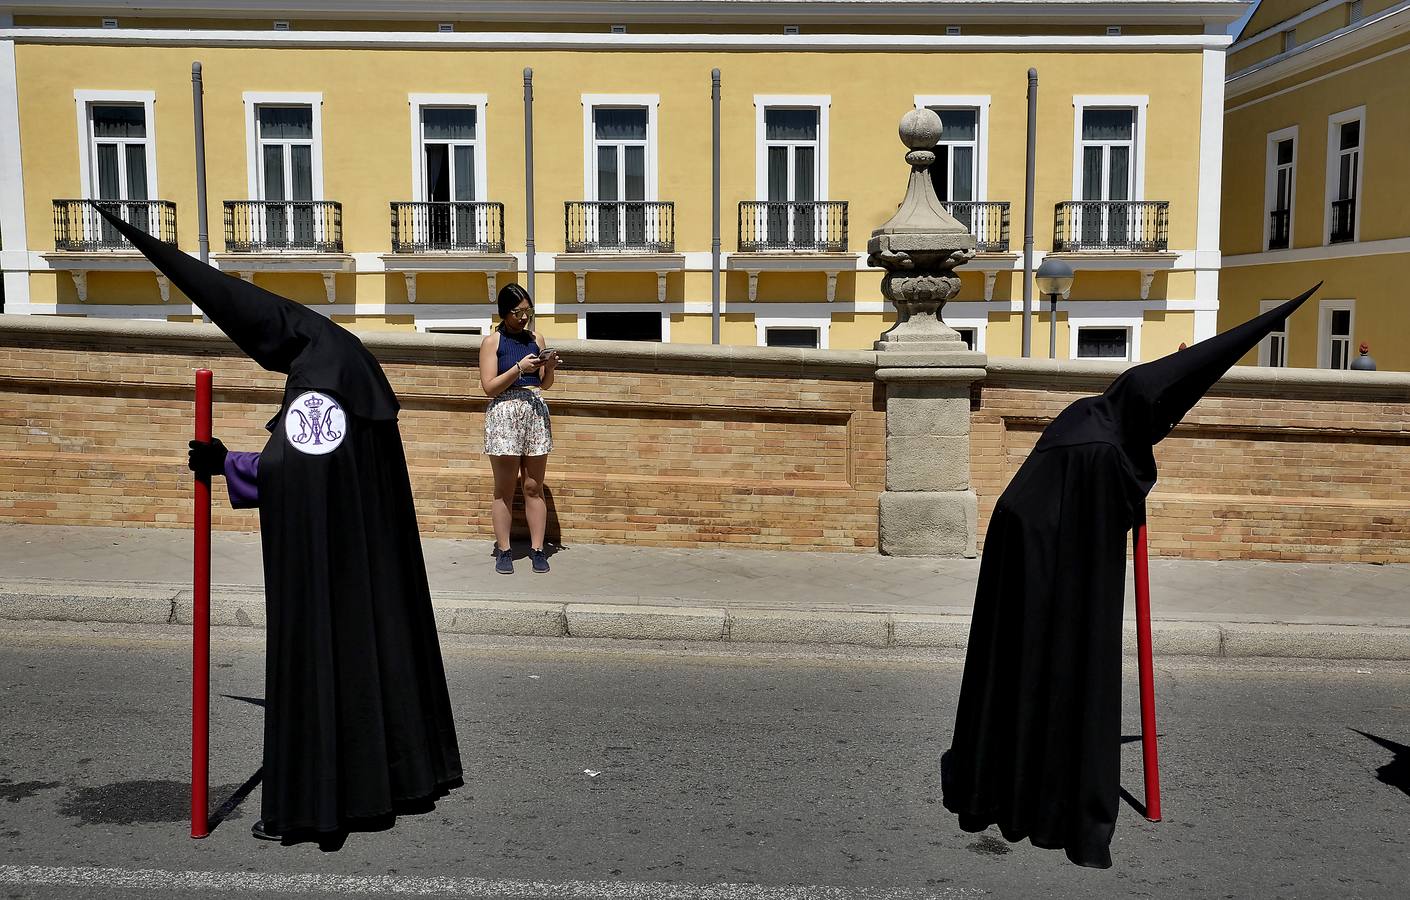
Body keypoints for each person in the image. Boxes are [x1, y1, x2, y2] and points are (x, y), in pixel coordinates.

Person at [95, 206, 462, 843]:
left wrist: (225, 461)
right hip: (365, 554)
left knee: (322, 660)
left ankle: (319, 807)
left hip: (331, 566)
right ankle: (396, 775)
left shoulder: (316, 379)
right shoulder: (341, 352)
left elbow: (295, 471)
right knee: (375, 653)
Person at [941, 284, 1320, 868]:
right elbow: (1100, 526)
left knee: (1018, 663)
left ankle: (1003, 773)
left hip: (1018, 539)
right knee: (1065, 659)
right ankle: (1051, 800)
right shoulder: (1105, 451)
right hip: (1042, 551)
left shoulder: (1093, 411)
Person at [479, 283, 559, 575]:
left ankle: (539, 550)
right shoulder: (493, 342)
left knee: (532, 486)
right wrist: (518, 368)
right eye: (518, 312)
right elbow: (489, 387)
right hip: (504, 414)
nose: (524, 318)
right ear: (504, 312)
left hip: (535, 413)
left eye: (528, 311)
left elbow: (545, 384)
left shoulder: (536, 338)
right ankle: (504, 550)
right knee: (504, 488)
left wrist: (548, 367)